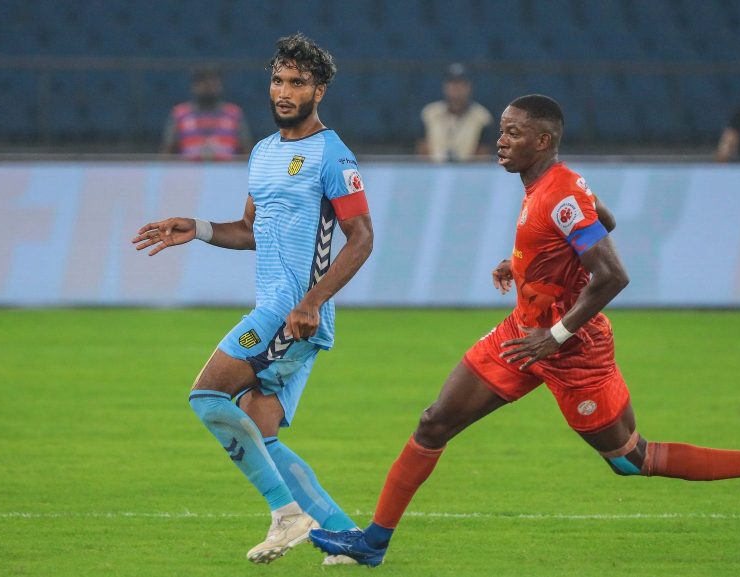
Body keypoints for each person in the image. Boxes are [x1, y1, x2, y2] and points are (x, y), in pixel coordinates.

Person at [310, 94, 740, 567]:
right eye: (501, 131)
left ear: (542, 141)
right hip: (522, 334)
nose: (501, 141)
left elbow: (613, 275)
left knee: (630, 458)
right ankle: (374, 541)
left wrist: (559, 335)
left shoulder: (560, 192)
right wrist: (527, 268)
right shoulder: (554, 187)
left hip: (574, 349)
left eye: (512, 133)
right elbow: (600, 219)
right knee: (434, 422)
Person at [133, 33, 373, 565]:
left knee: (207, 396)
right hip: (279, 309)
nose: (284, 92)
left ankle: (287, 516)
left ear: (320, 91)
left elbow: (362, 238)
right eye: (278, 80)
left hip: (292, 313)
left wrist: (311, 302)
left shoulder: (332, 154)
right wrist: (194, 228)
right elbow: (249, 229)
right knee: (260, 432)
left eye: (297, 82)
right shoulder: (264, 152)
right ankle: (348, 540)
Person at [160, 66, 252, 160]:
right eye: (202, 81)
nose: (208, 85)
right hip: (189, 172)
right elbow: (167, 154)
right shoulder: (179, 114)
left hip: (228, 172)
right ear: (193, 86)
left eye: (213, 81)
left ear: (220, 85)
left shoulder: (234, 114)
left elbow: (246, 153)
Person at [416, 63, 494, 162]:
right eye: (452, 83)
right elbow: (422, 149)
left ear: (469, 86)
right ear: (445, 87)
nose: (456, 88)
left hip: (468, 173)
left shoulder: (482, 117)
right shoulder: (430, 113)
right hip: (434, 172)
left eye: (461, 83)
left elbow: (483, 154)